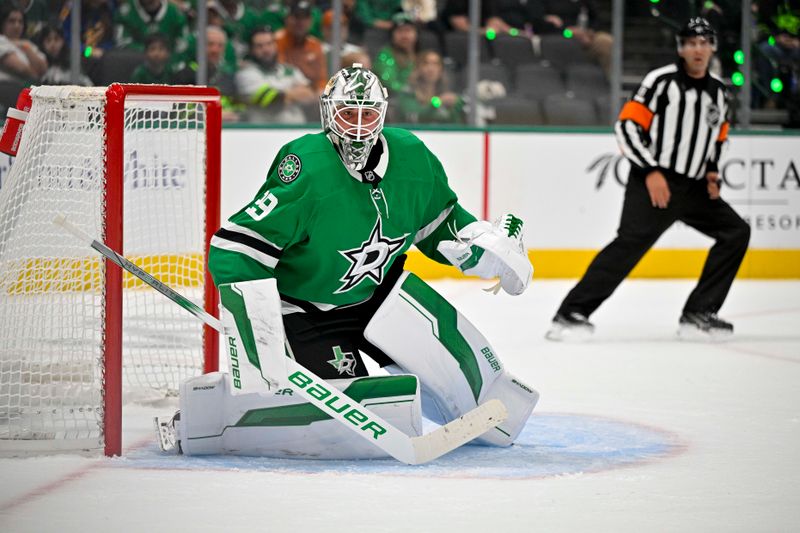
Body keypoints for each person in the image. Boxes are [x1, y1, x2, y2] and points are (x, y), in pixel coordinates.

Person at [161, 64, 538, 458]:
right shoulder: (306, 168)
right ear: (329, 113)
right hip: (306, 310)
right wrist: (255, 325)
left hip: (380, 295)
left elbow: (441, 224)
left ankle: (481, 394)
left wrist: (479, 253)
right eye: (347, 113)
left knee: (476, 387)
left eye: (367, 114)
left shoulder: (412, 156)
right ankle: (218, 419)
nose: (358, 126)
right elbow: (234, 249)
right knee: (354, 425)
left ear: (383, 114)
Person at [546, 18, 750, 341]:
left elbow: (718, 135)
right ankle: (571, 313)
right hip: (654, 182)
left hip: (695, 187)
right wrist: (652, 171)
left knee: (736, 232)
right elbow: (627, 127)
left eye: (704, 43)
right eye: (691, 43)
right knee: (628, 246)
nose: (698, 49)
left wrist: (711, 173)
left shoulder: (719, 92)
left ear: (712, 48)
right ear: (681, 48)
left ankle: (699, 313)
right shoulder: (662, 81)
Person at [235, 26, 317, 124]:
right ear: (251, 50)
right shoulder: (246, 75)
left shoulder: (289, 70)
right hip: (263, 133)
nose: (266, 50)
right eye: (259, 46)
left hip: (298, 131)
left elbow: (310, 95)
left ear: (275, 45)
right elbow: (273, 102)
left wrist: (285, 95)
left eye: (269, 44)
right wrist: (293, 93)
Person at [398, 49, 464, 124]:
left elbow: (456, 124)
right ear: (418, 67)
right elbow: (412, 116)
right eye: (426, 63)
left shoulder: (445, 91)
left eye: (436, 64)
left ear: (441, 69)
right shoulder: (408, 92)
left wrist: (456, 105)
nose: (431, 68)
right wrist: (437, 102)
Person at [276, 0, 328, 92]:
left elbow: (321, 80)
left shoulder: (315, 45)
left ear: (311, 21)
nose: (301, 22)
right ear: (288, 19)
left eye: (305, 18)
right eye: (297, 17)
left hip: (311, 96)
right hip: (284, 91)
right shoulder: (277, 41)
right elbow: (280, 74)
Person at [373, 12, 417, 95]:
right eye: (400, 31)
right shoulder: (385, 54)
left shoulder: (421, 55)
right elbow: (390, 83)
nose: (404, 35)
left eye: (408, 30)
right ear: (392, 35)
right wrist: (412, 92)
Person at [0, 5, 47, 83]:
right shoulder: (1, 41)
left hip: (27, 89)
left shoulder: (27, 44)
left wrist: (25, 47)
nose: (17, 25)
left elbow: (43, 68)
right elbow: (20, 69)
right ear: (2, 23)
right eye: (12, 21)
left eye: (20, 22)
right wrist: (37, 75)